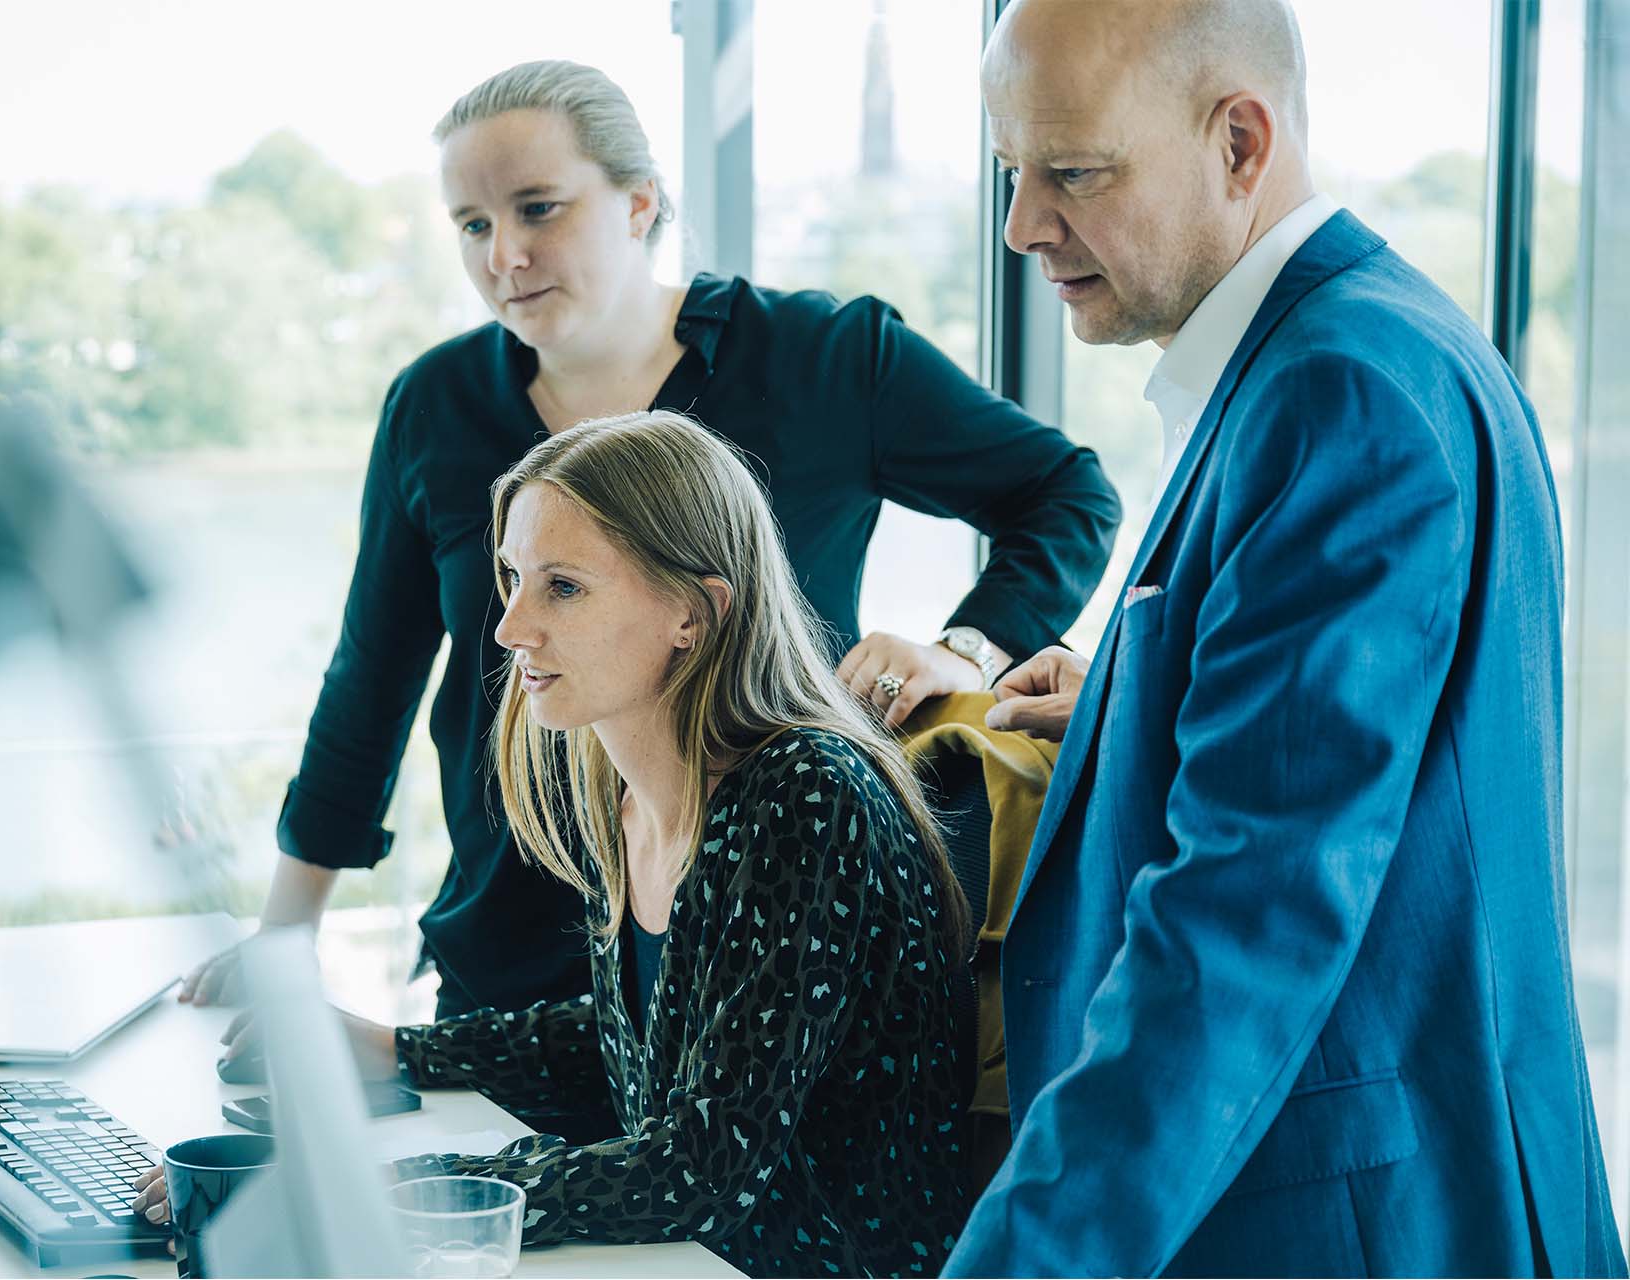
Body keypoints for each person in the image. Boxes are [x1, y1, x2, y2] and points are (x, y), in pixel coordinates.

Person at [181, 60, 1120, 1027]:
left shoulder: (824, 358)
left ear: (639, 204)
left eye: (539, 209)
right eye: (472, 224)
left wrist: (963, 648)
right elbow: (370, 679)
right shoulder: (435, 406)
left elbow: (1065, 494)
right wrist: (286, 936)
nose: (504, 254)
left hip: (767, 954)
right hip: (512, 958)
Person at [944, 0, 1625, 1275]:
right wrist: (1125, 705)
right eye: (1012, 174)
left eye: (1073, 173)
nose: (1023, 225)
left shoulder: (1336, 391)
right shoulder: (1368, 342)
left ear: (1241, 143)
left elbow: (1247, 919)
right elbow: (1376, 759)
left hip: (1348, 1224)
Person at [140, 410, 978, 1276]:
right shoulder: (629, 787)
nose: (509, 628)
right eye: (511, 578)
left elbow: (697, 1166)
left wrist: (366, 1190)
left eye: (564, 588)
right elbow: (643, 1036)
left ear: (694, 612)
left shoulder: (805, 795)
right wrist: (396, 1048)